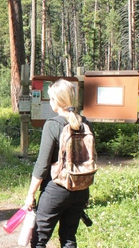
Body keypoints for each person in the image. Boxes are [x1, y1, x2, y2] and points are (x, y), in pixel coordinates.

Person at [24, 79, 94, 248]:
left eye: (51, 98)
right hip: (81, 190)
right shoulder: (86, 123)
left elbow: (42, 164)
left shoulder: (53, 125)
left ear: (56, 101)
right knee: (69, 238)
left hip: (56, 190)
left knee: (39, 239)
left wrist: (30, 194)